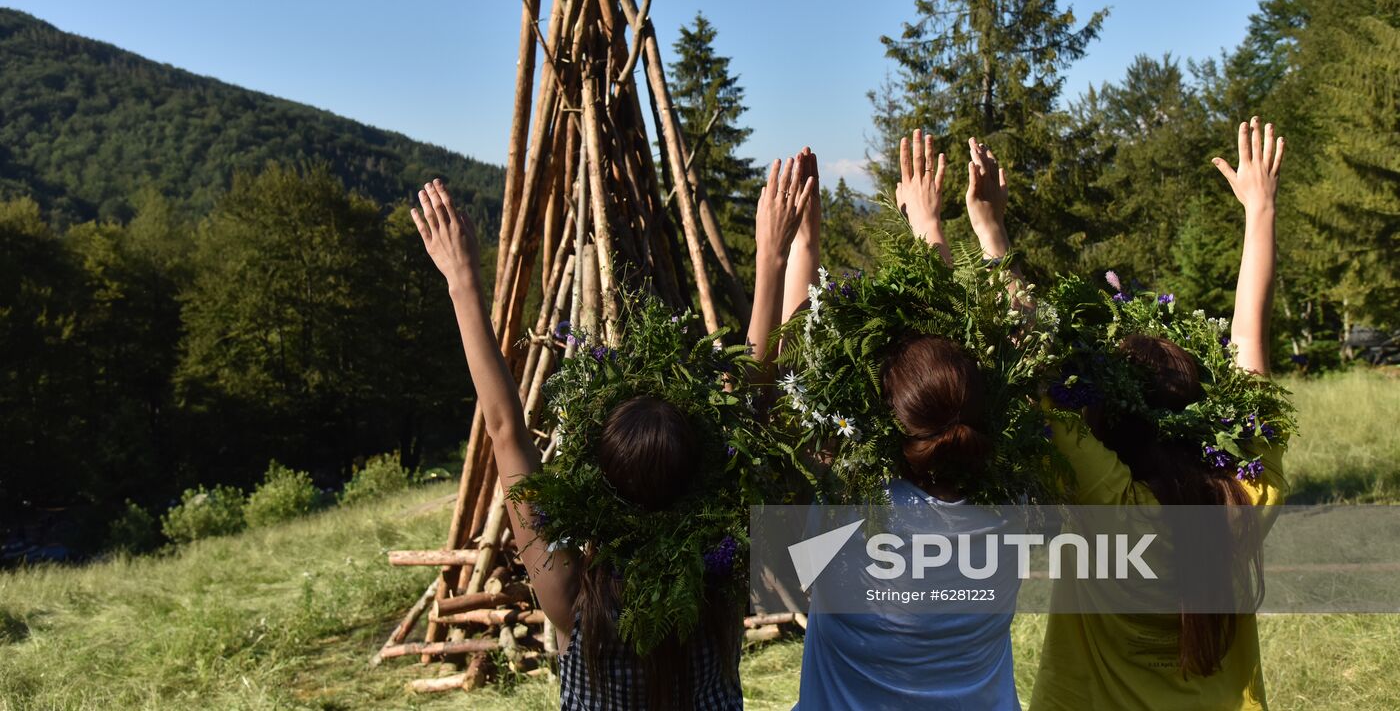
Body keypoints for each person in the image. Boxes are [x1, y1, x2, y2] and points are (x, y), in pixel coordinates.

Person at [411, 164, 811, 711]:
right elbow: (754, 407)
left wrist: (462, 283)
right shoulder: (718, 577)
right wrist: (773, 258)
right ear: (704, 480)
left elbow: (504, 429)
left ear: (598, 487)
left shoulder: (574, 596)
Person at [758, 132, 1028, 711]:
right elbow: (1030, 357)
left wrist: (799, 247)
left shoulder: (847, 519)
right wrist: (974, 226)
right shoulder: (1010, 520)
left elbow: (793, 382)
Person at [1030, 117, 1289, 711]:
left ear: (1108, 423)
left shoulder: (1107, 506)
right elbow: (1250, 349)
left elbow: (1033, 359)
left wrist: (987, 228)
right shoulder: (1242, 502)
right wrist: (1260, 210)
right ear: (1203, 417)